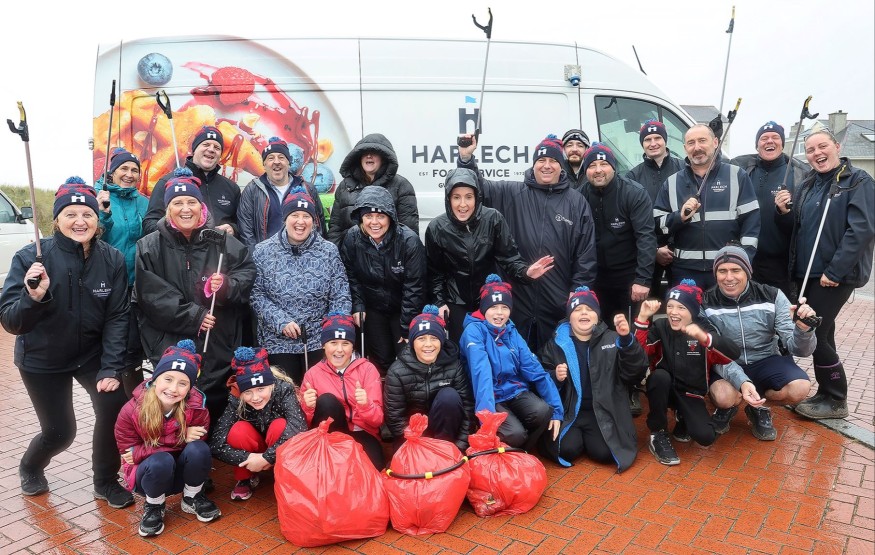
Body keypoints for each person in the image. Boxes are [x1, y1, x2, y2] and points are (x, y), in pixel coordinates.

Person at [0, 177, 133, 507]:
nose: (80, 221)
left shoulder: (112, 258)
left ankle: (105, 480)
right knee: (61, 432)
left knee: (113, 407)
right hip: (42, 358)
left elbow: (118, 316)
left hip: (91, 355)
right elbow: (11, 321)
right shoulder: (30, 258)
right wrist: (33, 297)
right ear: (57, 219)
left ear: (97, 220)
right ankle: (31, 466)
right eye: (70, 214)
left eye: (87, 214)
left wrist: (111, 367)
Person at [134, 168, 256, 427]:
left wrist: (226, 286)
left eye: (192, 202)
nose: (185, 209)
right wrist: (195, 316)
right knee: (176, 405)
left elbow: (246, 271)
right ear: (168, 208)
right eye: (178, 203)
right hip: (170, 340)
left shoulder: (221, 240)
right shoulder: (149, 246)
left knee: (215, 404)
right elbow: (151, 295)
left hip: (218, 340)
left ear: (202, 207)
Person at [457, 133, 597, 352]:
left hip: (557, 299)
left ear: (561, 165)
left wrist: (578, 290)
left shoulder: (576, 202)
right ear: (533, 165)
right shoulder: (512, 192)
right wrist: (466, 159)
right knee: (515, 356)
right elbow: (478, 188)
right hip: (516, 296)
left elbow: (585, 253)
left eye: (553, 161)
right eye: (541, 160)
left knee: (554, 359)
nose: (546, 166)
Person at [779, 129, 874, 419]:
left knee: (813, 329)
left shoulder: (857, 181)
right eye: (810, 150)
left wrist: (835, 271)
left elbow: (861, 230)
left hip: (833, 276)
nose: (817, 153)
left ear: (837, 146)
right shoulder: (809, 183)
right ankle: (826, 392)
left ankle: (836, 398)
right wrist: (784, 212)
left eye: (822, 146)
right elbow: (800, 228)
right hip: (807, 272)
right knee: (824, 331)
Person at [425, 167, 554, 342]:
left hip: (488, 297)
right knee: (462, 349)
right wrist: (439, 302)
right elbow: (434, 272)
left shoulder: (493, 219)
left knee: (491, 348)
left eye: (468, 197)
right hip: (455, 300)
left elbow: (509, 257)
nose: (462, 204)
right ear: (448, 199)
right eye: (456, 197)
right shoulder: (437, 227)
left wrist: (526, 273)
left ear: (477, 198)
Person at [704, 246, 817, 439]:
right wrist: (742, 382)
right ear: (715, 274)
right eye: (722, 271)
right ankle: (728, 407)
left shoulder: (772, 295)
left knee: (800, 388)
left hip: (767, 359)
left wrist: (804, 330)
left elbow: (799, 349)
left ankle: (759, 407)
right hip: (727, 362)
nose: (729, 277)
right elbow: (715, 352)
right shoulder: (706, 301)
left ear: (748, 272)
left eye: (736, 270)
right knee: (724, 397)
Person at [114, 340, 221, 537]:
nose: (173, 388)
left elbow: (198, 442)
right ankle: (154, 505)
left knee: (199, 449)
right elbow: (129, 453)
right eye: (168, 379)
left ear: (190, 387)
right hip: (149, 474)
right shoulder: (131, 410)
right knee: (161, 460)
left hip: (180, 473)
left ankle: (192, 497)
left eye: (183, 383)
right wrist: (181, 436)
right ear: (155, 379)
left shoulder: (197, 406)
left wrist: (142, 451)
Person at [634, 280, 744, 465]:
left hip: (691, 393)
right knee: (659, 377)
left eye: (681, 307)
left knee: (705, 436)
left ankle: (683, 416)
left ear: (693, 310)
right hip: (664, 388)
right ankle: (658, 433)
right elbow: (638, 354)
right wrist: (642, 318)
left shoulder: (704, 329)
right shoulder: (661, 326)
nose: (673, 312)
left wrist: (705, 338)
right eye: (670, 306)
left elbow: (733, 353)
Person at [251, 186, 351, 384]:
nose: (300, 221)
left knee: (320, 394)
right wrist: (281, 322)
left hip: (319, 339)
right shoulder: (263, 251)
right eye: (294, 215)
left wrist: (333, 329)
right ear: (285, 218)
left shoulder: (328, 251)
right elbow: (256, 295)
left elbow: (340, 294)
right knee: (287, 393)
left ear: (314, 221)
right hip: (278, 340)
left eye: (306, 216)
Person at [539, 286, 647, 471]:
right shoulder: (556, 343)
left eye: (589, 309)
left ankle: (589, 439)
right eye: (577, 310)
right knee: (566, 449)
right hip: (569, 412)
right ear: (569, 317)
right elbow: (540, 376)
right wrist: (555, 376)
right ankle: (578, 438)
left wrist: (627, 342)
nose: (584, 313)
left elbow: (634, 373)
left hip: (602, 412)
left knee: (604, 453)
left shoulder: (613, 339)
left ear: (597, 316)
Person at [459, 274, 563, 451]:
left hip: (514, 391)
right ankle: (507, 441)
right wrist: (487, 422)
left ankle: (522, 450)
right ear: (483, 309)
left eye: (505, 307)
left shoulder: (511, 331)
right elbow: (481, 375)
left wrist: (557, 411)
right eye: (493, 307)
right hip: (489, 396)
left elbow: (534, 369)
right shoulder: (473, 331)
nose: (499, 313)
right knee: (515, 434)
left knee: (544, 411)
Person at [653, 124, 760, 289]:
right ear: (685, 148)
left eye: (702, 140)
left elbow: (751, 224)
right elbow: (656, 225)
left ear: (715, 142)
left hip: (726, 271)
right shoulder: (672, 183)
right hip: (685, 272)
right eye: (691, 143)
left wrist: (742, 261)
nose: (697, 147)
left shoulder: (737, 175)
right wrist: (679, 217)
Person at [340, 185, 427, 373]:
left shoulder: (409, 241)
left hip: (402, 307)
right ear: (360, 217)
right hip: (373, 307)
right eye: (368, 216)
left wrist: (406, 326)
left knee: (407, 358)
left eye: (380, 216)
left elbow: (414, 287)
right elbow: (350, 276)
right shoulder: (352, 238)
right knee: (381, 359)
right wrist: (358, 305)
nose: (374, 222)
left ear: (390, 217)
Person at [209, 346, 307, 501]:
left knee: (280, 426)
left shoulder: (283, 389)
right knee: (238, 430)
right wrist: (250, 458)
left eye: (261, 389)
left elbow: (299, 427)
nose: (255, 398)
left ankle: (284, 474)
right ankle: (245, 478)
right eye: (248, 392)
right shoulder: (236, 397)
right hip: (254, 449)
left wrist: (266, 458)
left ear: (270, 384)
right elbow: (216, 443)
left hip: (276, 443)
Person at [579, 142, 656, 324]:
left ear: (613, 167)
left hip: (629, 279)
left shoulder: (634, 193)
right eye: (592, 165)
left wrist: (643, 280)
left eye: (604, 164)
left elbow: (646, 237)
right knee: (600, 333)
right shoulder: (579, 196)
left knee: (634, 332)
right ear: (586, 170)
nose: (598, 170)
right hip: (595, 279)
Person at [94, 147, 151, 395]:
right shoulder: (99, 196)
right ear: (112, 172)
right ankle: (115, 392)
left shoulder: (144, 202)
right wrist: (104, 214)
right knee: (115, 339)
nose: (129, 174)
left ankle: (134, 395)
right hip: (108, 281)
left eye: (134, 170)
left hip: (137, 283)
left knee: (133, 342)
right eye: (123, 169)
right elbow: (93, 237)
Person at [730, 121, 808, 298]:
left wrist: (784, 212)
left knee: (780, 311)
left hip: (781, 264)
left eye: (775, 137)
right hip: (747, 259)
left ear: (782, 143)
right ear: (757, 145)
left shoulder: (799, 174)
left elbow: (802, 223)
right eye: (764, 138)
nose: (769, 141)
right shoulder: (742, 169)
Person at [300, 313, 385, 469]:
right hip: (332, 434)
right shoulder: (312, 374)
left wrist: (366, 405)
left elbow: (378, 420)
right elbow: (303, 425)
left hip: (362, 431)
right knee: (326, 401)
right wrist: (308, 407)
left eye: (345, 343)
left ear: (352, 346)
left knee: (375, 468)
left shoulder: (367, 369)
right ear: (323, 345)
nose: (339, 350)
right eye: (333, 342)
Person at [384, 305, 475, 451]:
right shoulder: (397, 371)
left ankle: (444, 450)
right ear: (412, 342)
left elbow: (468, 409)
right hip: (412, 438)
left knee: (449, 396)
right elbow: (395, 418)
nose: (428, 344)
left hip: (446, 435)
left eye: (434, 338)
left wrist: (460, 446)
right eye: (421, 338)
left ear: (441, 341)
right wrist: (422, 447)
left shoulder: (454, 365)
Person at [143, 125, 241, 237]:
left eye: (217, 147)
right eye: (206, 144)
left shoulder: (232, 188)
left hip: (221, 247)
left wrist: (233, 229)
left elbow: (242, 225)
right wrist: (176, 232)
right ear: (194, 150)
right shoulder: (168, 182)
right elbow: (149, 223)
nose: (211, 150)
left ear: (220, 156)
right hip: (179, 248)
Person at [625, 119, 684, 297]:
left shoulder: (684, 169)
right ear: (642, 144)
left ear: (665, 140)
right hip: (648, 254)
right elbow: (631, 220)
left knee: (681, 303)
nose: (653, 143)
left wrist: (673, 247)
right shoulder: (633, 176)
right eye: (647, 139)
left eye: (657, 138)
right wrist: (655, 251)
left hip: (681, 250)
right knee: (648, 304)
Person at [327, 133, 419, 245]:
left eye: (374, 152)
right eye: (364, 153)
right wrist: (335, 253)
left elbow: (409, 232)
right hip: (350, 253)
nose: (369, 156)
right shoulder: (345, 186)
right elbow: (335, 228)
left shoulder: (401, 186)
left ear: (384, 158)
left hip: (388, 254)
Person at [236, 136, 326, 247]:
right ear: (264, 164)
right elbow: (246, 231)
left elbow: (318, 227)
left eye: (281, 157)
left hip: (303, 255)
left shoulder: (307, 188)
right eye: (270, 158)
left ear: (289, 162)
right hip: (265, 255)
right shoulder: (252, 190)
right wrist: (256, 255)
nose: (276, 162)